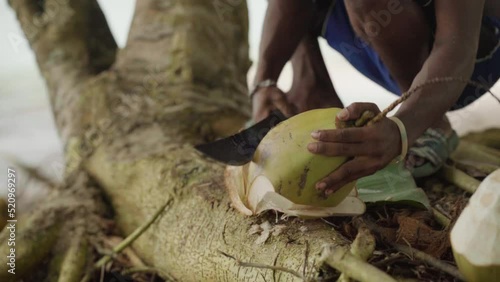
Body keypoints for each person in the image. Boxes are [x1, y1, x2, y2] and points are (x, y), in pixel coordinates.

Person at [251, 0, 500, 195]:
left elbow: (457, 48)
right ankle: (312, 84)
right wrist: (263, 82)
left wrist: (402, 128)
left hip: (470, 53)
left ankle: (431, 122)